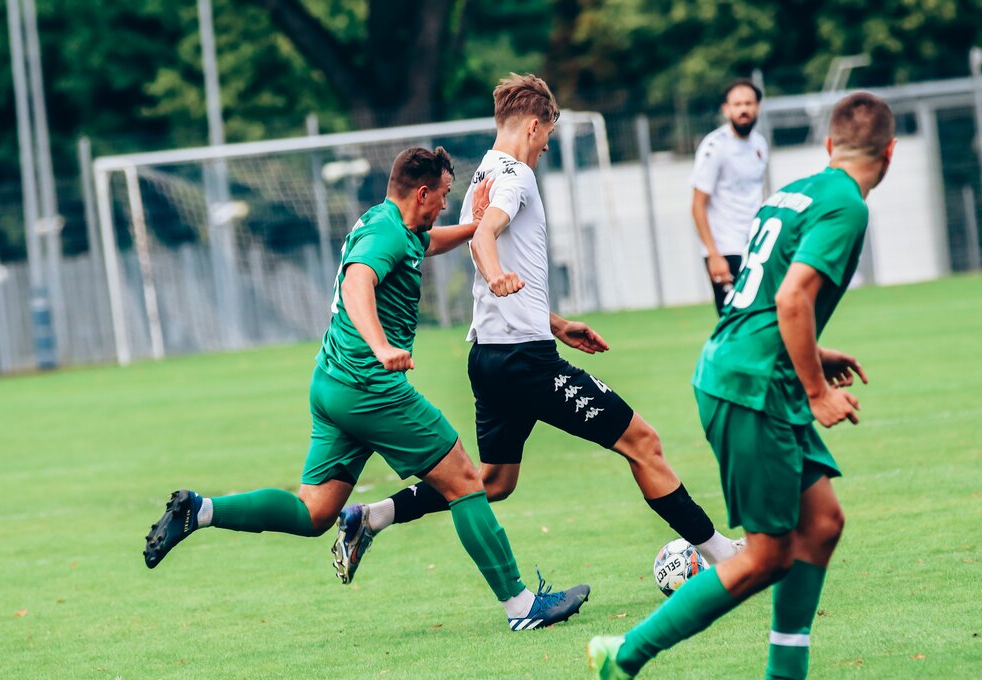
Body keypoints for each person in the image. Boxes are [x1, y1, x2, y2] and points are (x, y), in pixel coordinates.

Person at [142, 146, 590, 632]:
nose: (446, 204)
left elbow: (426, 243)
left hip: (332, 385)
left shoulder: (390, 222)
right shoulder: (386, 233)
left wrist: (474, 228)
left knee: (314, 512)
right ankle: (521, 607)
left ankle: (200, 510)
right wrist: (380, 346)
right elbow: (358, 283)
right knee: (465, 480)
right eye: (443, 195)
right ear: (423, 193)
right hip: (370, 386)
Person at [334, 73, 742, 589]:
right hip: (525, 361)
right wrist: (495, 272)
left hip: (489, 358)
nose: (547, 144)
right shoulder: (516, 177)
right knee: (643, 441)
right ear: (532, 125)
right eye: (548, 133)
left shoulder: (482, 174)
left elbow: (487, 248)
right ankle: (724, 555)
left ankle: (372, 516)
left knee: (494, 481)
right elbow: (484, 237)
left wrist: (555, 321)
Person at [588, 92, 895, 679]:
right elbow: (791, 297)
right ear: (890, 151)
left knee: (821, 525)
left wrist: (813, 354)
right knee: (766, 555)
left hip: (750, 371)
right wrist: (817, 391)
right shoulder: (848, 206)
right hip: (752, 387)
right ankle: (621, 654)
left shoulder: (795, 192)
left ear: (830, 145)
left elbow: (761, 301)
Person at [692, 79, 769, 314]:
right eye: (737, 104)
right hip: (726, 248)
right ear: (726, 109)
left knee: (763, 316)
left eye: (748, 103)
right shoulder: (715, 146)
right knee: (733, 320)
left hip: (756, 246)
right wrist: (714, 255)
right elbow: (697, 205)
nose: (743, 109)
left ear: (757, 107)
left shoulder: (760, 144)